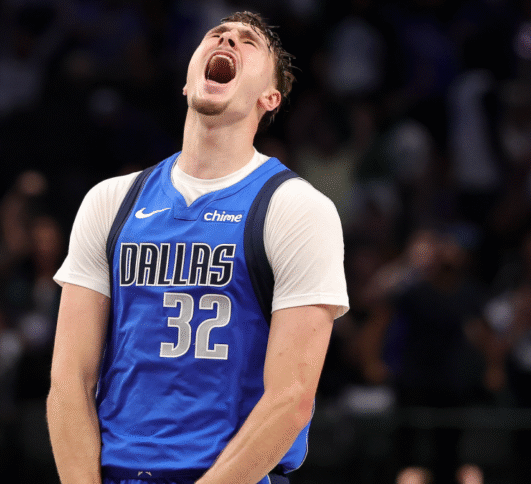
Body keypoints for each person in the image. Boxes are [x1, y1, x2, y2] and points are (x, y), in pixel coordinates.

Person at [47, 11, 348, 484]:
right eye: (217, 34)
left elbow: (291, 399)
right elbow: (69, 382)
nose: (228, 39)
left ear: (270, 97)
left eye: (248, 42)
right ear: (187, 82)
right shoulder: (111, 200)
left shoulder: (296, 209)